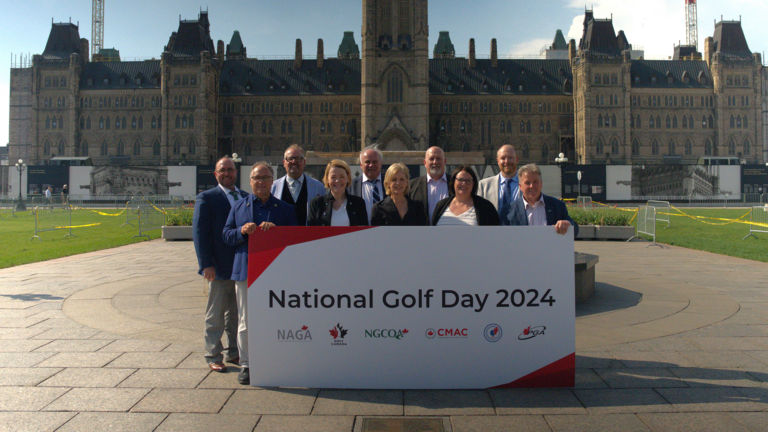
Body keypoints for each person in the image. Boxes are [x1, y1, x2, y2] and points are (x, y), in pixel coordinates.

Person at [223, 162, 298, 385]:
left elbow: (295, 238)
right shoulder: (238, 207)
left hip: (275, 271)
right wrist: (241, 231)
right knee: (246, 320)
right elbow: (226, 235)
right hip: (246, 270)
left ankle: (275, 359)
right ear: (250, 180)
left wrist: (277, 232)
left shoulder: (285, 209)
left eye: (265, 178)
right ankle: (246, 363)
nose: (261, 182)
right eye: (257, 178)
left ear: (272, 181)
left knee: (276, 318)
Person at [193, 157, 245, 373]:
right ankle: (213, 354)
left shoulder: (245, 197)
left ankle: (234, 352)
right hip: (218, 266)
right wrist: (206, 264)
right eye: (222, 170)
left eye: (230, 170)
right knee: (215, 314)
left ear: (236, 173)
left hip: (241, 266)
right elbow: (199, 233)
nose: (227, 174)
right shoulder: (207, 197)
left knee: (236, 313)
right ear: (216, 174)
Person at [503, 164, 579, 236]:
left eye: (535, 182)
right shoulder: (508, 210)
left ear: (541, 184)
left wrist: (567, 224)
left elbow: (575, 230)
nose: (532, 186)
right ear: (520, 186)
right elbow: (502, 237)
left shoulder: (557, 206)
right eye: (527, 182)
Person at [271, 144, 325, 226]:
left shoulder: (318, 187)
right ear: (284, 162)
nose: (294, 162)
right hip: (282, 237)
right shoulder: (273, 187)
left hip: (309, 237)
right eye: (290, 158)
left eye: (298, 159)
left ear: (304, 162)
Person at [432, 165, 500, 226]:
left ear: (473, 184)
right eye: (460, 180)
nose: (464, 183)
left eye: (468, 181)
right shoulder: (441, 206)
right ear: (453, 182)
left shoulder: (486, 207)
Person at [308, 160, 368, 226]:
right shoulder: (316, 204)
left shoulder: (358, 203)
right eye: (333, 177)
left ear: (348, 178)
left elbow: (364, 232)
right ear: (327, 179)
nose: (337, 181)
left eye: (341, 177)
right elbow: (311, 233)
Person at [409, 146, 449, 225]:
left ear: (444, 161)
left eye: (438, 159)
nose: (435, 162)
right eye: (431, 159)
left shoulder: (455, 184)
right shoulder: (412, 186)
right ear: (425, 163)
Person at [478, 145, 521, 218]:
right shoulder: (484, 185)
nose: (506, 161)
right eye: (503, 158)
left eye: (510, 157)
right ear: (498, 161)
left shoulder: (528, 184)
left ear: (517, 159)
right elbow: (479, 212)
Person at [348, 146, 384, 224]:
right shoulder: (350, 186)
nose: (371, 165)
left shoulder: (390, 184)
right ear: (361, 165)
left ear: (381, 163)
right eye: (367, 162)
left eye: (375, 162)